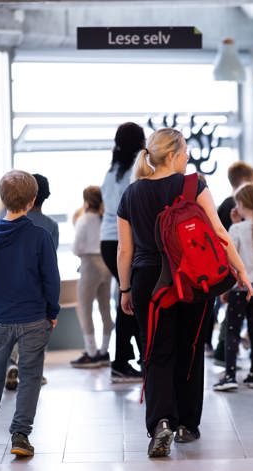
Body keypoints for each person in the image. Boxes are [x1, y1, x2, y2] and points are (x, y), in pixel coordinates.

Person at [116, 128, 253, 458]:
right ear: (175, 154)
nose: (189, 156)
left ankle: (161, 422)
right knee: (190, 348)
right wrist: (240, 270)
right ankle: (187, 424)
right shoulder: (193, 185)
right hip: (194, 277)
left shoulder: (131, 193)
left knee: (156, 352)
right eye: (186, 150)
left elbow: (125, 249)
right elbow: (218, 232)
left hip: (150, 280)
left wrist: (125, 288)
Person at [0, 170, 60, 458]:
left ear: (2, 199)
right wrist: (53, 310)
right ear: (33, 200)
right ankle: (20, 434)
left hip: (1, 316)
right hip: (35, 316)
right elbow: (51, 279)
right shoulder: (40, 236)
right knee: (31, 375)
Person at [100, 122, 146, 383]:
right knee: (130, 299)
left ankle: (125, 358)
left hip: (107, 240)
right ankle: (122, 361)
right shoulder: (135, 170)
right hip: (124, 240)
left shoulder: (113, 170)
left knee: (126, 296)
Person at [4, 173, 59, 390]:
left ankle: (11, 364)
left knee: (12, 329)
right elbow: (51, 260)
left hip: (11, 285)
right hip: (38, 287)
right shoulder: (50, 226)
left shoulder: (8, 220)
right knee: (38, 331)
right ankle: (34, 372)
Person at [213, 183, 253, 391]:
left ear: (241, 203)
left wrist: (225, 290)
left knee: (232, 331)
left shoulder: (236, 229)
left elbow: (230, 258)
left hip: (239, 287)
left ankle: (230, 375)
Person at [210, 162, 253, 365]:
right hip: (235, 270)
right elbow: (229, 241)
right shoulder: (232, 206)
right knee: (231, 317)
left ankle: (225, 352)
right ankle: (223, 353)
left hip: (236, 269)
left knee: (231, 316)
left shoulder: (227, 206)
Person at [70, 186, 114, 368]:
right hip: (106, 264)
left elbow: (76, 249)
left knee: (85, 309)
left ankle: (91, 352)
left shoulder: (84, 220)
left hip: (89, 264)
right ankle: (104, 352)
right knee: (105, 309)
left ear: (86, 201)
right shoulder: (105, 219)